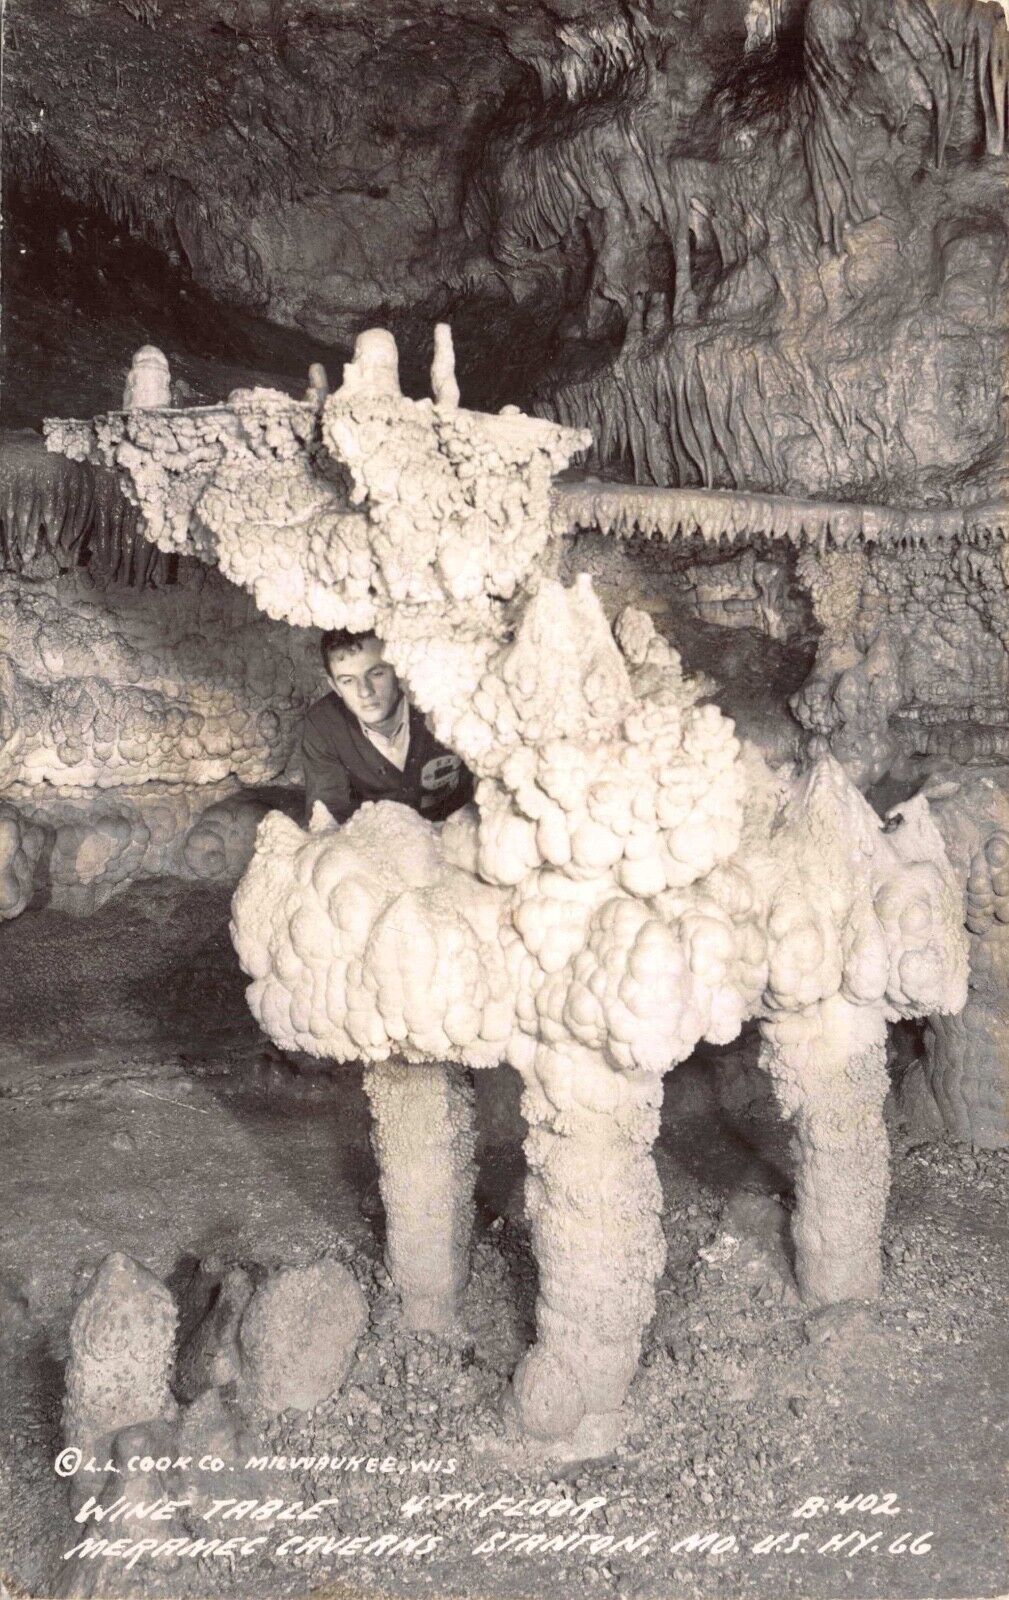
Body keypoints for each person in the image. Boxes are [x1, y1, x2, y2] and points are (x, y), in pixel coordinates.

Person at [301, 629, 474, 826]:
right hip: (379, 844)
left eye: (376, 673)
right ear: (334, 686)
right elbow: (327, 819)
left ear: (397, 669)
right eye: (348, 681)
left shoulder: (442, 703)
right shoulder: (324, 724)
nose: (365, 691)